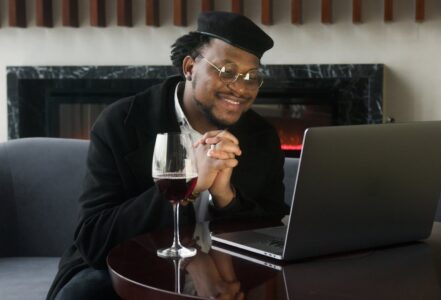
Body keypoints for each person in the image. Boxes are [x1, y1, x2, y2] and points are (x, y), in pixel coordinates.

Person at [47, 11, 288, 300]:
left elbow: (273, 230)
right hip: (125, 264)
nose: (240, 87)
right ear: (189, 67)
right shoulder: (122, 122)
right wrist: (188, 183)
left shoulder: (261, 136)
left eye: (251, 77)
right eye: (226, 71)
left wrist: (227, 198)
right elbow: (94, 239)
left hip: (228, 271)